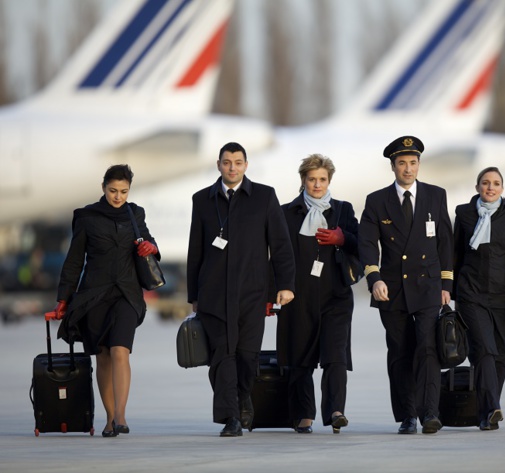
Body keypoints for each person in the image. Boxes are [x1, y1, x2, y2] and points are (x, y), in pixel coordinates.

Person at [187, 142, 296, 437]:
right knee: (222, 355)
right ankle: (231, 417)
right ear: (219, 165)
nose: (232, 167)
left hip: (252, 292)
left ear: (246, 165)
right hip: (213, 294)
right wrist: (193, 295)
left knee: (247, 356)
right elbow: (195, 250)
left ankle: (242, 396)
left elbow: (281, 246)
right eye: (226, 162)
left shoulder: (264, 196)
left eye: (237, 162)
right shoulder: (202, 200)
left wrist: (285, 286)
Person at [50, 164, 160, 437]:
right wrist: (63, 299)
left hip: (127, 294)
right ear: (103, 188)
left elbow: (150, 243)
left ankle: (121, 415)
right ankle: (110, 418)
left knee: (120, 350)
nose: (118, 196)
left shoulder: (135, 214)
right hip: (94, 295)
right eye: (113, 190)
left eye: (123, 191)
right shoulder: (86, 217)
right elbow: (74, 261)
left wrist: (152, 247)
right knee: (103, 357)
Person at [358, 136, 453, 435]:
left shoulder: (436, 196)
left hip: (428, 286)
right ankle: (407, 415)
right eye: (402, 163)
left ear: (419, 165)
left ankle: (430, 414)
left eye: (413, 163)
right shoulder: (376, 201)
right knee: (399, 351)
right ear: (393, 167)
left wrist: (447, 284)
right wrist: (374, 278)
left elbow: (445, 242)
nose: (408, 169)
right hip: (392, 289)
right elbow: (366, 243)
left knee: (427, 349)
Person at [276, 154, 358, 434]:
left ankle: (335, 411)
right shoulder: (286, 212)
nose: (317, 184)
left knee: (335, 355)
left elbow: (361, 245)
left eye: (322, 179)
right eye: (312, 179)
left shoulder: (343, 210)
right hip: (297, 295)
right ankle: (303, 415)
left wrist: (343, 238)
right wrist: (271, 291)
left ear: (329, 181)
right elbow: (274, 255)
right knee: (299, 358)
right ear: (303, 180)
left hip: (336, 295)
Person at [453, 166, 505, 431]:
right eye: (485, 183)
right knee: (484, 351)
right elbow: (454, 257)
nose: (490, 187)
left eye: (496, 183)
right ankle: (491, 408)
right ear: (477, 187)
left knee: (501, 355)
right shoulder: (464, 213)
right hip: (471, 294)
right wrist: (449, 292)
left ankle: (486, 414)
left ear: (502, 188)